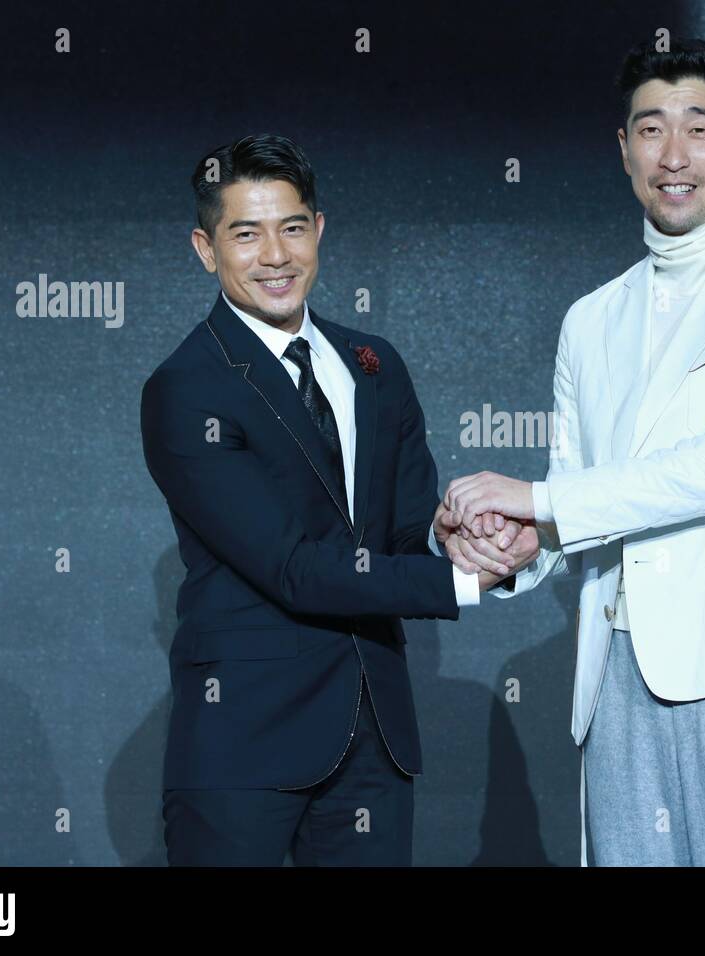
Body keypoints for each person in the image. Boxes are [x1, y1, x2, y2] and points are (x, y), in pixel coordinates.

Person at [441, 38, 705, 865]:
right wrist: (515, 546)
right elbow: (577, 499)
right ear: (625, 149)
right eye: (650, 129)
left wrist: (541, 501)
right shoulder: (591, 319)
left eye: (699, 129)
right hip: (618, 674)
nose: (674, 155)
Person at [140, 133, 538, 865]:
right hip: (243, 751)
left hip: (375, 742)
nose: (275, 255)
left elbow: (405, 536)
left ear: (318, 230)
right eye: (246, 233)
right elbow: (292, 566)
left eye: (292, 227)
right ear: (205, 248)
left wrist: (468, 542)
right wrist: (457, 580)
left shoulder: (375, 364)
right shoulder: (188, 387)